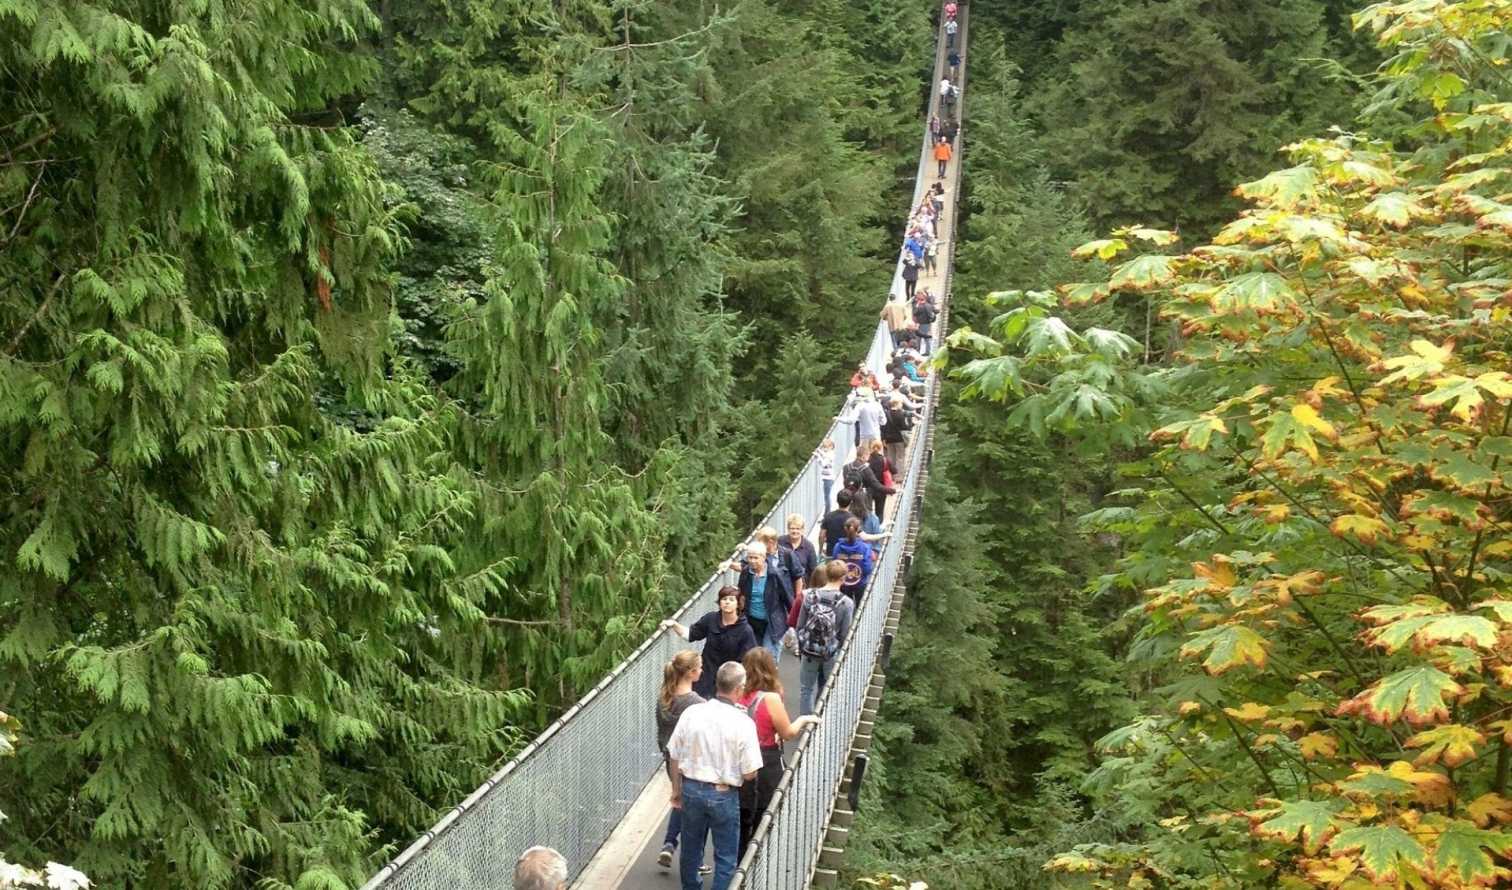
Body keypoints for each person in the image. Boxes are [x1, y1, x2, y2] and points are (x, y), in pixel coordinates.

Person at [667, 662, 763, 890]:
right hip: (723, 793)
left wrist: (676, 791)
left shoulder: (693, 713)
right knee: (726, 856)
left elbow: (674, 754)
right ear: (739, 689)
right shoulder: (744, 723)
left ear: (717, 683)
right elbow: (750, 773)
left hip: (691, 789)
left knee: (690, 850)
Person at [737, 648, 819, 856]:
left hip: (738, 760)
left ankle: (737, 862)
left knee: (741, 815)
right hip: (765, 760)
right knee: (763, 811)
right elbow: (788, 733)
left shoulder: (737, 694)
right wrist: (804, 719)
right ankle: (753, 861)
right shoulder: (771, 699)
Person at [662, 586, 758, 699]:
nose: (727, 602)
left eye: (731, 600)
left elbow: (749, 662)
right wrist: (674, 625)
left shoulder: (745, 630)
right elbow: (691, 634)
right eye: (724, 599)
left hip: (728, 681)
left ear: (738, 604)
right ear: (719, 602)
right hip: (705, 677)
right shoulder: (711, 619)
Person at [656, 652, 705, 869]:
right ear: (692, 673)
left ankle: (669, 844)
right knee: (696, 812)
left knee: (680, 801)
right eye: (700, 667)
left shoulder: (664, 698)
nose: (702, 670)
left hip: (670, 760)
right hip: (692, 761)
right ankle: (694, 860)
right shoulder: (696, 703)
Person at [792, 560, 855, 716]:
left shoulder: (810, 595)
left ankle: (806, 722)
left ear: (826, 574)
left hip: (809, 649)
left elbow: (800, 625)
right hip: (830, 651)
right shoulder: (846, 603)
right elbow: (845, 633)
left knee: (806, 688)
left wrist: (804, 645)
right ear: (843, 578)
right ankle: (820, 719)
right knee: (827, 686)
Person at [735, 540, 795, 660]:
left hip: (772, 621)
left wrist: (793, 622)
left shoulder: (776, 574)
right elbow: (741, 592)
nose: (752, 561)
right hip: (752, 620)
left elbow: (788, 597)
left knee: (768, 656)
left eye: (755, 558)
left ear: (763, 557)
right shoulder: (746, 572)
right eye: (750, 557)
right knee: (753, 655)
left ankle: (770, 677)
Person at [780, 512, 821, 611]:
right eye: (792, 528)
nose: (795, 531)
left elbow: (813, 570)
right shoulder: (780, 542)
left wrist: (812, 591)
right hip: (782, 586)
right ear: (788, 529)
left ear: (802, 530)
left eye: (798, 529)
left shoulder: (808, 546)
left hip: (802, 587)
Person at [832, 517, 876, 601]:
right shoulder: (865, 547)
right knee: (860, 607)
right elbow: (867, 569)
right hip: (860, 584)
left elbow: (834, 564)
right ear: (858, 530)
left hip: (843, 584)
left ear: (845, 529)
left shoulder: (837, 547)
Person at [819, 489, 855, 556]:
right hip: (847, 554)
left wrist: (820, 550)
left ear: (837, 501)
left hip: (831, 553)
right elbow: (860, 536)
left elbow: (821, 535)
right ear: (851, 502)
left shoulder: (828, 516)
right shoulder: (852, 519)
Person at [882, 395, 911, 477]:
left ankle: (890, 475)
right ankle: (899, 476)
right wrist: (911, 425)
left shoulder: (886, 414)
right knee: (900, 457)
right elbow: (903, 427)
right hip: (899, 439)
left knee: (891, 457)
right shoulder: (900, 414)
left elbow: (883, 427)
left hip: (888, 439)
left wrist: (883, 439)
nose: (901, 405)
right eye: (901, 403)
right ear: (897, 404)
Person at [866, 439, 893, 520]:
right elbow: (894, 470)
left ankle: (869, 528)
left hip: (869, 489)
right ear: (881, 448)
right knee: (880, 512)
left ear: (871, 448)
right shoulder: (885, 460)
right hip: (881, 489)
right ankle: (878, 528)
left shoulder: (867, 460)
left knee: (868, 511)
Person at [815, 437, 836, 506]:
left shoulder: (830, 455)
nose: (824, 449)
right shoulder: (829, 453)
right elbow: (824, 455)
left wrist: (818, 456)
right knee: (826, 496)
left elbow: (824, 463)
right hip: (827, 478)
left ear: (831, 447)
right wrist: (819, 452)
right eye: (824, 447)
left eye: (826, 447)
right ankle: (827, 511)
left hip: (828, 478)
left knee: (827, 496)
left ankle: (827, 512)